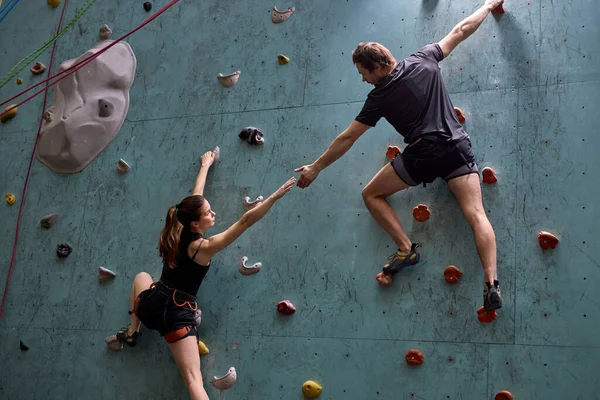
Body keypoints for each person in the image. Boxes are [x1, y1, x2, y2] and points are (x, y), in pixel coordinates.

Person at [294, 0, 504, 311]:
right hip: (457, 145)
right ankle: (491, 283)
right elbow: (460, 30)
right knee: (477, 216)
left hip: (424, 153)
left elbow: (348, 137)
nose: (363, 79)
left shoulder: (378, 97)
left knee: (371, 194)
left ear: (377, 67)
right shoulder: (425, 58)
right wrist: (487, 6)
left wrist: (316, 167)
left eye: (363, 72)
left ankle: (406, 248)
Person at [106, 148, 296, 400]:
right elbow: (245, 222)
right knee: (193, 381)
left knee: (142, 277)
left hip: (152, 305)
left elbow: (197, 194)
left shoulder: (178, 225)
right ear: (195, 223)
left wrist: (206, 164)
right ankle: (134, 332)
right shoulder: (203, 248)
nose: (213, 213)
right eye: (208, 213)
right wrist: (274, 197)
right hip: (177, 318)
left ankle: (132, 332)